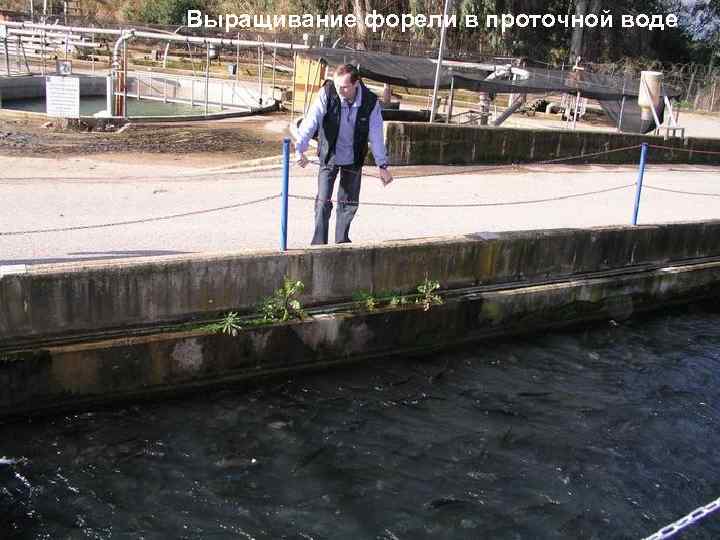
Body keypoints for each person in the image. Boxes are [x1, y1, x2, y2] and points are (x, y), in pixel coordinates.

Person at [295, 63, 393, 245]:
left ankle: (341, 242)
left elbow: (377, 135)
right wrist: (299, 148)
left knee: (348, 204)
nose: (339, 90)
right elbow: (311, 121)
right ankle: (318, 244)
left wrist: (383, 165)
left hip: (353, 159)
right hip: (329, 156)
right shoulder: (327, 92)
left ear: (356, 84)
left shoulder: (370, 103)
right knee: (322, 202)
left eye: (344, 87)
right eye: (337, 85)